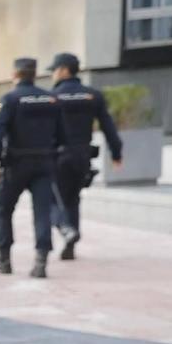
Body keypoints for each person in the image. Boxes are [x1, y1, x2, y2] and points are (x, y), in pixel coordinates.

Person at [0, 57, 63, 279]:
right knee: (42, 213)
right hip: (44, 163)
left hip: (16, 164)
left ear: (15, 75)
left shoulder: (10, 99)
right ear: (34, 74)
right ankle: (41, 263)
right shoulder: (51, 99)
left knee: (3, 211)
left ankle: (4, 260)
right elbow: (61, 134)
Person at [47, 51, 122, 260]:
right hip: (82, 156)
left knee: (52, 199)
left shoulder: (52, 97)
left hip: (59, 156)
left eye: (54, 70)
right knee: (73, 199)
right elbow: (109, 127)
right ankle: (71, 244)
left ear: (63, 71)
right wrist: (116, 153)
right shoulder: (93, 95)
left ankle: (64, 228)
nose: (52, 74)